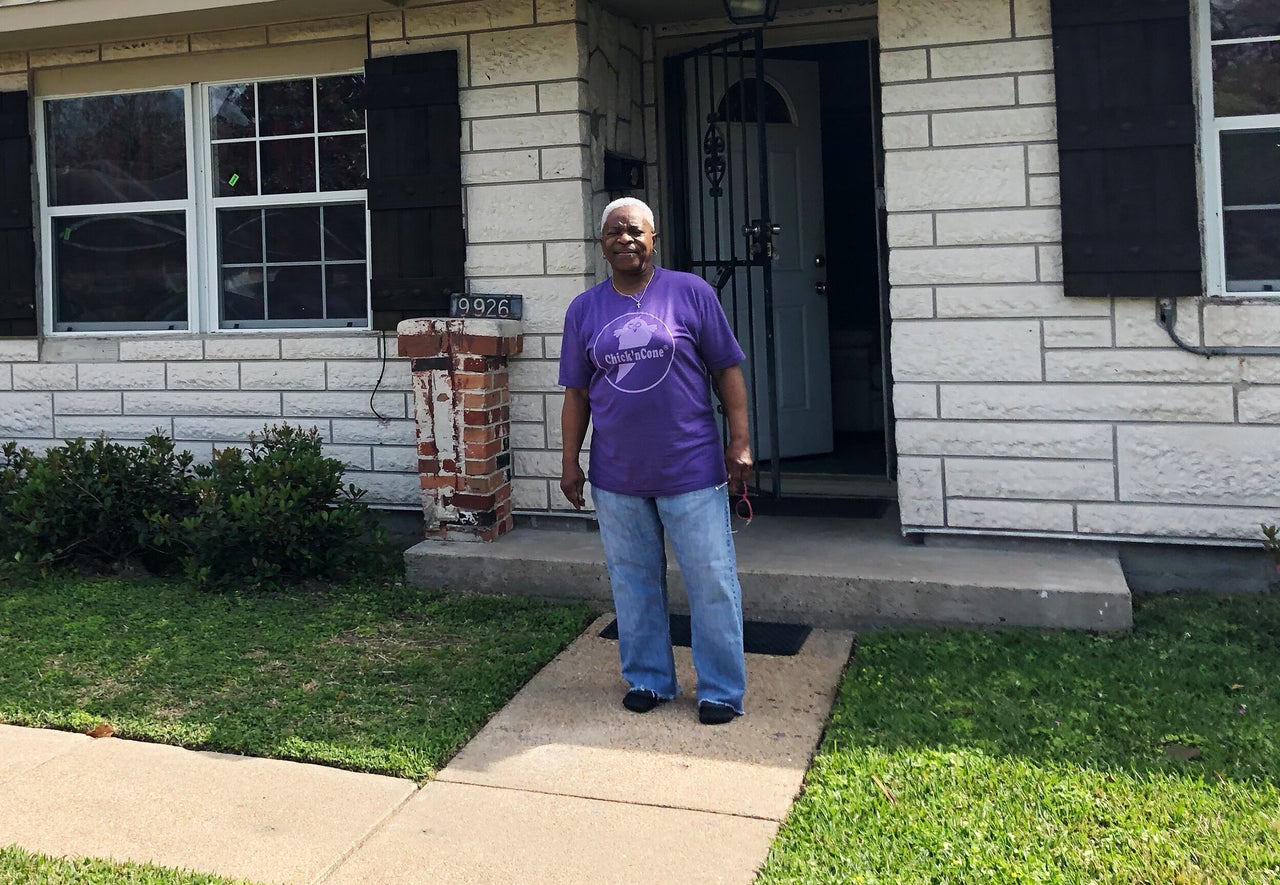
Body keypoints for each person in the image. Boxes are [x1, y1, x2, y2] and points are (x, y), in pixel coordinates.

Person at [557, 196, 753, 726]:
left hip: (690, 468)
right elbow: (576, 393)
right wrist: (570, 463)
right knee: (632, 579)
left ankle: (719, 690)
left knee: (711, 579)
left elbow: (727, 369)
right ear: (602, 245)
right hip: (617, 474)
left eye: (635, 231)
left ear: (654, 237)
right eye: (615, 232)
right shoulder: (584, 310)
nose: (626, 239)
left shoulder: (690, 293)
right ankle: (649, 678)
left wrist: (740, 440)